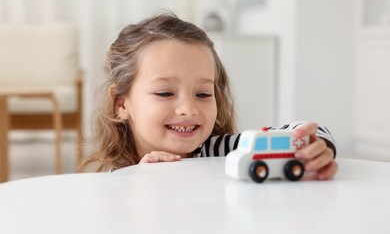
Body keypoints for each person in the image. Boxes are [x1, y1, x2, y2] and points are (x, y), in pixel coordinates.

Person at [79, 13, 338, 180]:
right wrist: (140, 181)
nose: (188, 108)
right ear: (122, 104)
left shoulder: (218, 151)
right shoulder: (114, 178)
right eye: (165, 92)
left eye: (203, 93)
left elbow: (294, 131)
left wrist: (315, 145)